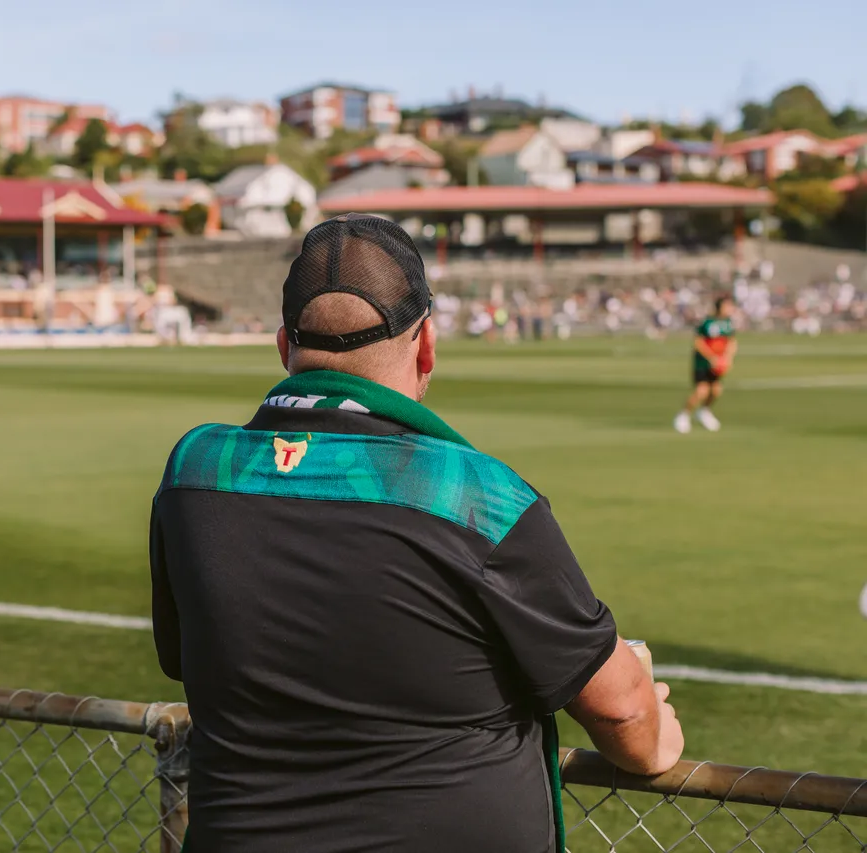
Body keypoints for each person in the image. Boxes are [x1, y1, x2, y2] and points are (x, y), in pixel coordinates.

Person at [149, 214, 684, 853]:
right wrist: (655, 728)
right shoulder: (473, 495)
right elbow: (622, 710)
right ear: (426, 342)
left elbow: (184, 658)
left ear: (283, 346)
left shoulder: (194, 470)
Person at [674, 295, 737, 434]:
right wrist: (711, 357)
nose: (730, 309)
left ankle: (704, 412)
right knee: (701, 391)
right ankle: (683, 415)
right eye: (727, 306)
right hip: (702, 363)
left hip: (718, 363)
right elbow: (698, 342)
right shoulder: (707, 322)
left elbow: (731, 341)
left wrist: (727, 358)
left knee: (716, 390)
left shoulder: (728, 323)